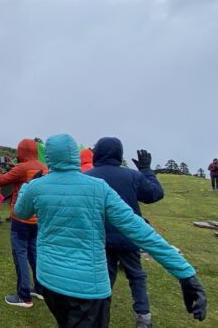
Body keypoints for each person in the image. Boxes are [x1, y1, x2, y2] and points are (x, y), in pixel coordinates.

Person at [14, 134, 207, 327]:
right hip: (88, 287)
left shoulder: (37, 187)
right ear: (75, 154)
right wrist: (185, 273)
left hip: (50, 280)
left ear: (49, 156)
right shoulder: (98, 188)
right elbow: (140, 231)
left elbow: (21, 212)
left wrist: (27, 186)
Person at [85, 137, 164, 328]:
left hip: (100, 236)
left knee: (104, 278)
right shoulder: (132, 176)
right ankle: (143, 317)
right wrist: (146, 170)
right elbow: (154, 194)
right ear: (119, 154)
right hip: (128, 235)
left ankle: (99, 317)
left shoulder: (87, 176)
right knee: (136, 275)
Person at [0, 139, 48, 308]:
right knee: (34, 253)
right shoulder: (43, 167)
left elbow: (0, 181)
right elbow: (23, 174)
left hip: (21, 218)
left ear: (21, 151)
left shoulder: (22, 168)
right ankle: (39, 289)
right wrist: (12, 165)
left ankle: (24, 296)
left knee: (21, 255)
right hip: (37, 219)